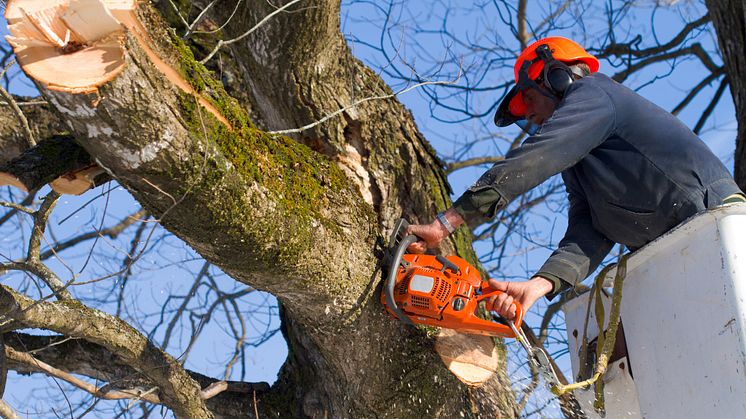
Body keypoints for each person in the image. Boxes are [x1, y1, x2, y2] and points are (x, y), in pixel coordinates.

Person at [407, 36, 744, 320]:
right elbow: (590, 231)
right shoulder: (580, 162)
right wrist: (538, 285)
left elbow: (537, 157)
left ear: (556, 78)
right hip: (677, 252)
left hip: (714, 221)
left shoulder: (596, 95)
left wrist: (446, 223)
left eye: (529, 99)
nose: (533, 116)